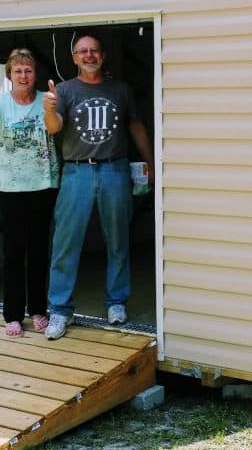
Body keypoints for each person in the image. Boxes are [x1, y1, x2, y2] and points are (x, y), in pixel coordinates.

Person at [42, 34, 154, 340]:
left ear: (102, 56)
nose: (89, 55)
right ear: (75, 58)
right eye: (83, 52)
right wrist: (50, 109)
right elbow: (54, 127)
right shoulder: (63, 91)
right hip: (77, 172)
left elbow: (136, 126)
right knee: (66, 242)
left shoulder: (120, 90)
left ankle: (116, 302)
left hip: (114, 169)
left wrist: (151, 162)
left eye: (93, 51)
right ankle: (59, 310)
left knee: (118, 238)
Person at [0, 48, 60, 338]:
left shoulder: (45, 100)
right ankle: (12, 315)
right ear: (9, 75)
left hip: (42, 184)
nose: (23, 75)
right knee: (13, 250)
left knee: (39, 250)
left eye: (28, 70)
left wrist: (51, 109)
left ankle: (38, 310)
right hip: (9, 187)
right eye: (17, 71)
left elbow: (54, 128)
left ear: (34, 74)